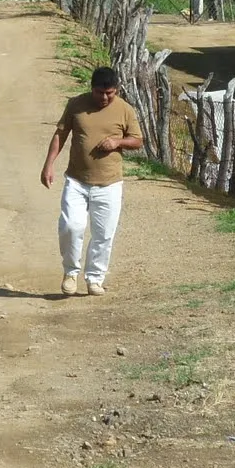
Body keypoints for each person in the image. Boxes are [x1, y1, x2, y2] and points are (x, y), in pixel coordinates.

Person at [40, 66, 143, 296]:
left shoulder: (125, 110)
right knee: (71, 226)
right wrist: (49, 164)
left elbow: (137, 140)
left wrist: (118, 142)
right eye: (99, 92)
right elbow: (60, 134)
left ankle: (95, 278)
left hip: (110, 183)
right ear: (91, 89)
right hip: (76, 180)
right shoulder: (76, 104)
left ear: (117, 90)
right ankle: (70, 273)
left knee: (104, 233)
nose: (104, 98)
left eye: (110, 93)